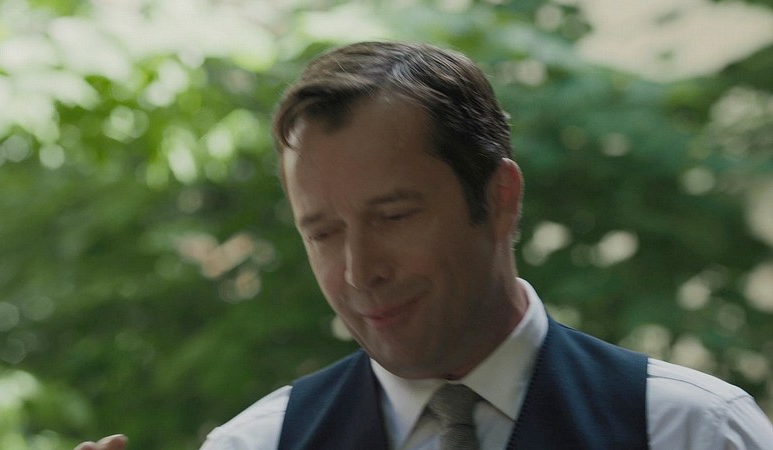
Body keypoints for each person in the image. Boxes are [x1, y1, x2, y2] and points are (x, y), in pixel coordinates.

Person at [76, 41, 773, 450]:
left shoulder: (693, 433)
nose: (359, 272)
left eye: (394, 216)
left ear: (499, 199)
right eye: (323, 232)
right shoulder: (253, 445)